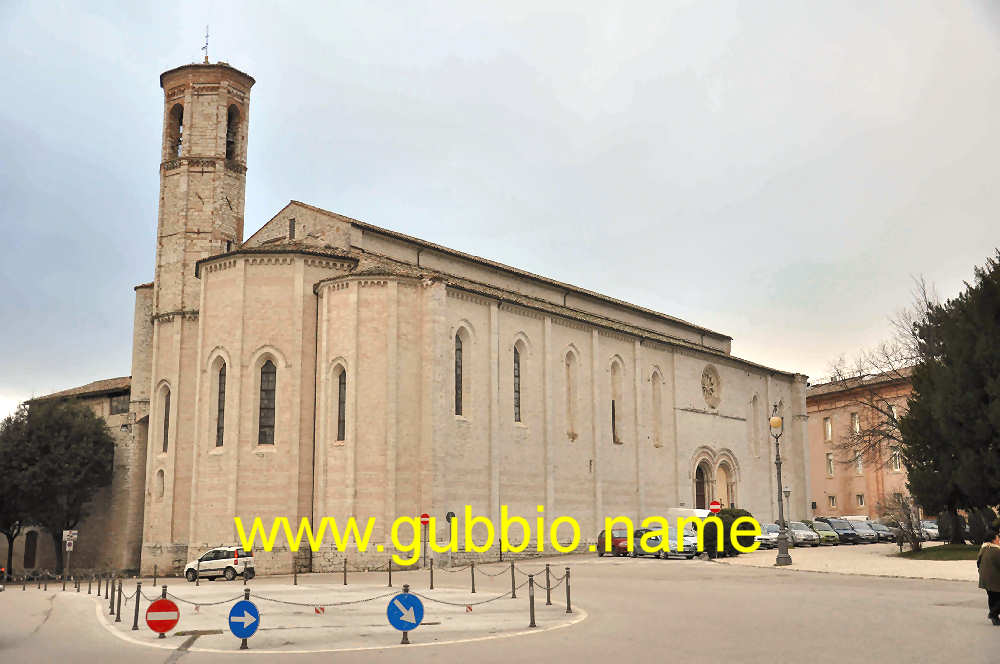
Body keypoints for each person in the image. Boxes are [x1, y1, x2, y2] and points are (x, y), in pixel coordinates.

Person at [977, 529, 1000, 625]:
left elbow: (978, 563)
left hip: (985, 579)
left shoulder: (983, 549)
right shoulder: (996, 551)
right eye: (998, 537)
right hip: (994, 579)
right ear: (993, 540)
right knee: (997, 598)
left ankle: (995, 618)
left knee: (992, 598)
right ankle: (993, 614)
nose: (999, 539)